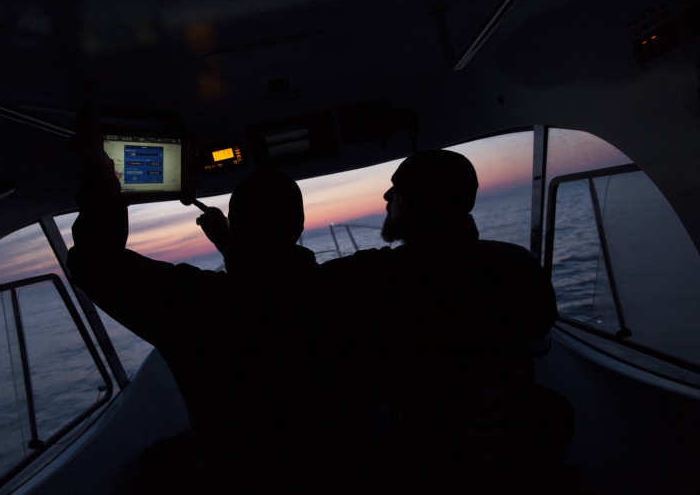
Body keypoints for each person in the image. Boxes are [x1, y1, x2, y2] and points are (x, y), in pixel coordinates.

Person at [67, 149, 346, 493]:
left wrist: (102, 173)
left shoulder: (198, 304)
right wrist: (228, 241)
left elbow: (94, 263)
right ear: (299, 226)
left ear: (239, 225)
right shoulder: (335, 296)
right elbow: (269, 281)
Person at [312, 149, 569, 492]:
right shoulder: (517, 263)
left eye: (397, 191)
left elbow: (288, 291)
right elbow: (539, 345)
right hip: (517, 451)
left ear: (420, 204)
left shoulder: (371, 276)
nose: (387, 197)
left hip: (422, 456)